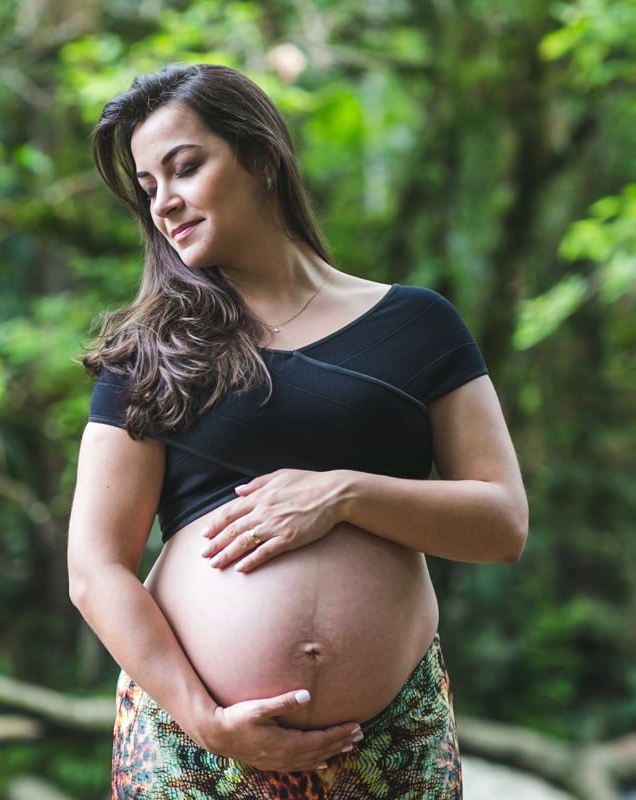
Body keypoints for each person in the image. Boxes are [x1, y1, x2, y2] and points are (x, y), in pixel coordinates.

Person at [66, 63, 528, 800]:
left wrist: (343, 495)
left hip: (391, 742)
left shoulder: (418, 324)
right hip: (195, 745)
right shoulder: (149, 351)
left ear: (262, 157)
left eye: (185, 168)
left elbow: (502, 525)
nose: (167, 204)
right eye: (149, 187)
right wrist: (204, 718)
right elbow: (95, 569)